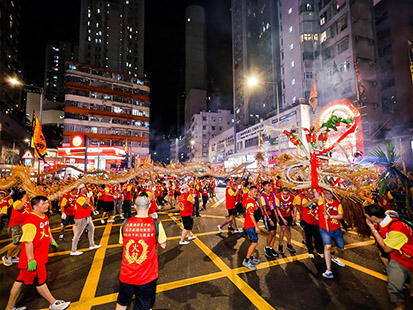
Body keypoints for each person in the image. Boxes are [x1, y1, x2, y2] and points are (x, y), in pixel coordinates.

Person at [5, 195, 71, 310]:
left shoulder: (44, 216)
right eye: (43, 204)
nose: (46, 205)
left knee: (20, 281)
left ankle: (9, 308)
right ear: (34, 207)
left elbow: (47, 230)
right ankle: (53, 303)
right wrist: (31, 260)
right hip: (34, 259)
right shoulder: (30, 222)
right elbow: (28, 242)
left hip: (39, 255)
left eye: (46, 203)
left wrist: (52, 241)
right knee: (40, 281)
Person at [116, 196, 167, 310]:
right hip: (147, 276)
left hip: (126, 274)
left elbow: (123, 243)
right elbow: (163, 244)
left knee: (122, 303)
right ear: (149, 206)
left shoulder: (125, 223)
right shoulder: (156, 224)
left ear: (135, 207)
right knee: (143, 305)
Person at [365, 204, 413, 310]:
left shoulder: (397, 227)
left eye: (367, 216)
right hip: (399, 259)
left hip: (410, 259)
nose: (366, 218)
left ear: (373, 217)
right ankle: (401, 306)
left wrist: (372, 229)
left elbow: (386, 249)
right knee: (393, 284)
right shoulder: (382, 220)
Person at [317, 190, 346, 279]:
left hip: (336, 229)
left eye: (329, 193)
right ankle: (328, 270)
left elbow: (342, 216)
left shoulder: (337, 203)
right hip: (325, 229)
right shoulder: (321, 201)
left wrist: (331, 217)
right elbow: (315, 191)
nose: (328, 195)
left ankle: (335, 257)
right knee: (328, 247)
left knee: (341, 248)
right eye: (326, 193)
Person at [2, 189, 31, 267]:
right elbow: (18, 207)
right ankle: (7, 257)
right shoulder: (18, 202)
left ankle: (14, 256)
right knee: (16, 242)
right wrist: (24, 200)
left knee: (20, 242)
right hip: (15, 225)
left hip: (23, 226)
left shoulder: (29, 203)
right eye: (27, 194)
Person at [70, 184, 101, 256]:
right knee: (78, 234)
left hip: (87, 217)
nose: (86, 189)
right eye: (84, 188)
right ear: (81, 189)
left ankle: (92, 244)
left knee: (91, 228)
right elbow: (85, 205)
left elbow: (88, 205)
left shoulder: (84, 196)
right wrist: (89, 198)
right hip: (81, 218)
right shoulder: (80, 198)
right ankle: (73, 250)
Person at [293, 189, 323, 258]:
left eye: (313, 194)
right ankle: (310, 251)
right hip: (307, 221)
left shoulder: (318, 199)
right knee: (308, 237)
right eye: (310, 194)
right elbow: (304, 205)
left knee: (318, 238)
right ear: (308, 194)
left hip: (316, 222)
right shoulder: (305, 199)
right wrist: (312, 201)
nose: (311, 195)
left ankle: (320, 251)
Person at [242, 186, 261, 271]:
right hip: (250, 226)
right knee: (254, 243)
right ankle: (246, 260)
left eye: (256, 191)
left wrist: (259, 199)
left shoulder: (254, 201)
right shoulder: (250, 201)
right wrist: (256, 226)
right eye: (254, 191)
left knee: (253, 242)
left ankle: (252, 258)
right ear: (249, 192)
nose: (255, 193)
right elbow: (251, 214)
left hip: (252, 225)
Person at [259, 181, 279, 259]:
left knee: (274, 232)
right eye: (268, 186)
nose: (269, 187)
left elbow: (274, 206)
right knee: (271, 232)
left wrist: (276, 216)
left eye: (270, 185)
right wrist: (269, 219)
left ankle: (271, 248)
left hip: (273, 215)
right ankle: (267, 247)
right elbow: (264, 208)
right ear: (264, 187)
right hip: (267, 216)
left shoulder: (272, 194)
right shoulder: (262, 196)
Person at [275, 188, 296, 255]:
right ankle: (280, 245)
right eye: (284, 194)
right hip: (281, 215)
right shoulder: (277, 197)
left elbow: (294, 206)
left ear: (289, 193)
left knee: (288, 229)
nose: (285, 196)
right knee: (282, 229)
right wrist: (282, 219)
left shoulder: (292, 197)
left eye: (287, 194)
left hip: (288, 214)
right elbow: (277, 209)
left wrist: (294, 216)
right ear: (281, 193)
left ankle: (289, 244)